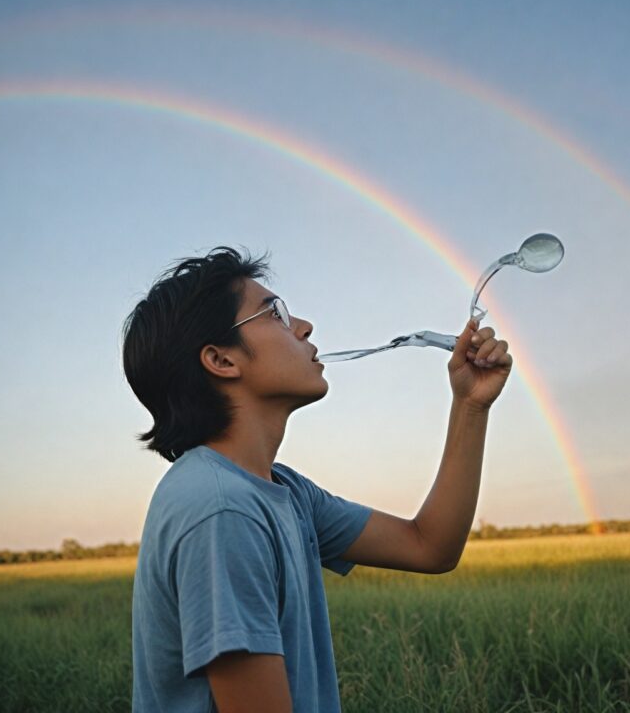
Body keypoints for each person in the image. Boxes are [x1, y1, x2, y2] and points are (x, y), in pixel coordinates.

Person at [123, 247, 512, 713]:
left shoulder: (283, 491)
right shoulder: (222, 509)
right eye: (274, 313)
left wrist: (470, 405)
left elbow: (429, 545)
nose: (304, 326)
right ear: (222, 361)